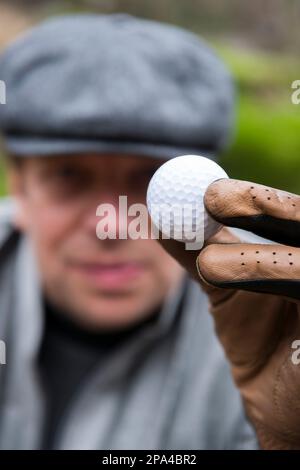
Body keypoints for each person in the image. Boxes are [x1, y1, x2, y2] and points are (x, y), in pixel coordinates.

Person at [0, 13, 260, 450]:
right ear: (19, 189)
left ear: (213, 196)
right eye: (69, 176)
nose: (112, 225)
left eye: (150, 182)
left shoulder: (275, 323)